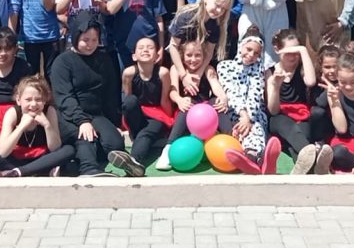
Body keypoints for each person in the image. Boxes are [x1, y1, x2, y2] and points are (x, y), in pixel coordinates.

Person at [0, 75, 76, 178]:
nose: (33, 104)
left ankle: (18, 172)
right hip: (16, 157)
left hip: (42, 156)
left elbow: (55, 148)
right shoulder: (12, 113)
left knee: (68, 150)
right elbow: (3, 151)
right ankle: (40, 170)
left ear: (45, 100)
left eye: (38, 100)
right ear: (18, 100)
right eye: (28, 100)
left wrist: (47, 125)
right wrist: (21, 126)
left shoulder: (49, 111)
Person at [51, 14, 122, 177]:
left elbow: (110, 94)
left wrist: (113, 122)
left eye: (94, 40)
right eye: (85, 40)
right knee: (86, 137)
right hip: (68, 116)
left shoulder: (104, 59)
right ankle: (89, 169)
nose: (90, 45)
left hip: (95, 114)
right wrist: (82, 121)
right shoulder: (62, 62)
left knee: (115, 144)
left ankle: (74, 159)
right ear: (76, 37)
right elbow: (64, 97)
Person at [266, 29, 332, 175]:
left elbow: (311, 81)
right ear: (277, 50)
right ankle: (316, 161)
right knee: (284, 124)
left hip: (301, 116)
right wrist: (276, 86)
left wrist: (303, 50)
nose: (293, 56)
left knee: (300, 136)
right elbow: (273, 111)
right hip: (279, 118)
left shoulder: (302, 69)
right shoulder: (270, 72)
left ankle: (307, 170)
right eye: (288, 52)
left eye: (296, 52)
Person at [159, 40, 233, 170]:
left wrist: (223, 98)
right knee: (188, 102)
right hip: (187, 109)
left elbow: (216, 86)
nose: (193, 59)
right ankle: (168, 148)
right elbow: (172, 91)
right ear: (182, 56)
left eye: (198, 55)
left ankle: (233, 141)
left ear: (204, 56)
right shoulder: (176, 69)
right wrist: (179, 100)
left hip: (205, 111)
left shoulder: (208, 69)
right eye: (189, 55)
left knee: (216, 101)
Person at [216, 28, 280, 174]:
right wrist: (243, 115)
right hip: (234, 111)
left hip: (254, 113)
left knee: (256, 127)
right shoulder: (224, 66)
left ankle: (253, 158)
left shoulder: (259, 68)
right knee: (241, 130)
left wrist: (249, 118)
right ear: (241, 45)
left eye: (256, 53)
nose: (251, 55)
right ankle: (258, 161)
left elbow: (255, 94)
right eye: (249, 49)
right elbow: (231, 92)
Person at [108, 37, 173, 177]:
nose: (145, 50)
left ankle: (134, 162)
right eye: (141, 48)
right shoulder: (129, 73)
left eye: (150, 47)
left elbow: (165, 101)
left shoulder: (163, 73)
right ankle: (134, 159)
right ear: (134, 56)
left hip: (156, 115)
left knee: (146, 133)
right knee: (130, 101)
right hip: (137, 115)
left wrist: (169, 124)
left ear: (157, 55)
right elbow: (128, 100)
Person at [166, 0, 234, 95]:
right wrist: (184, 75)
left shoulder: (215, 25)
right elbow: (173, 46)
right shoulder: (186, 16)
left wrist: (199, 73)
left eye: (223, 9)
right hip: (179, 63)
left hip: (198, 64)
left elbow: (209, 52)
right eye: (217, 5)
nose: (219, 11)